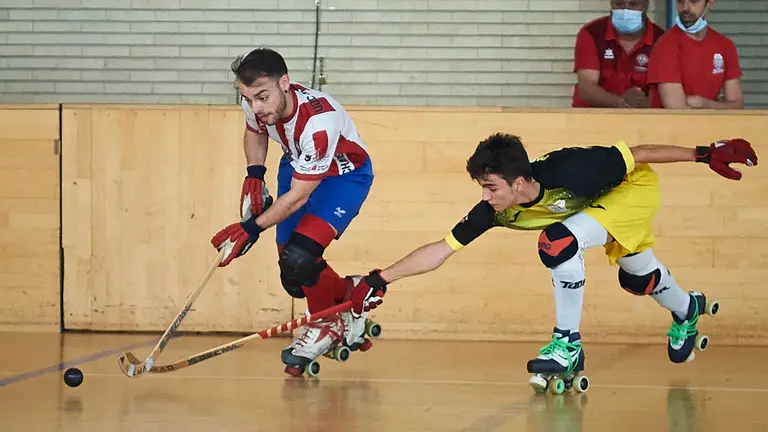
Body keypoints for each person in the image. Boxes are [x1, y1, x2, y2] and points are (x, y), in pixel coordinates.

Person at [345, 134, 757, 391]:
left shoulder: (572, 167)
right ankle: (688, 309)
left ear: (519, 182)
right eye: (482, 188)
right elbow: (441, 249)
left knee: (558, 242)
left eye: (491, 188)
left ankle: (567, 345)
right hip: (596, 215)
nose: (486, 197)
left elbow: (640, 152)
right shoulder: (496, 211)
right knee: (639, 279)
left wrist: (704, 153)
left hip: (632, 192)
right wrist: (381, 277)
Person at [210, 47, 375, 377]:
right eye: (249, 98)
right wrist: (254, 174)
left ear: (284, 82)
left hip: (343, 175)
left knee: (301, 256)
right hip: (298, 163)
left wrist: (251, 228)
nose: (256, 107)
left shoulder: (319, 122)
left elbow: (299, 197)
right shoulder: (254, 103)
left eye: (262, 97)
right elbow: (255, 131)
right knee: (293, 274)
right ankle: (348, 293)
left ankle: (325, 326)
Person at [647, 0, 743, 109]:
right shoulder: (665, 45)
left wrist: (703, 103)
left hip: (713, 125)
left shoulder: (725, 45)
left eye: (694, 1)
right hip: (671, 125)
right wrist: (719, 106)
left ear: (710, 2)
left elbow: (737, 107)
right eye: (680, 2)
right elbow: (677, 111)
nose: (685, 8)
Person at [572, 0, 665, 108]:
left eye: (634, 4)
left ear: (646, 4)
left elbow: (668, 91)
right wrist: (620, 102)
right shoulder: (592, 33)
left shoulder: (661, 40)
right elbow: (587, 88)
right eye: (619, 4)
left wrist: (647, 103)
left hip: (643, 117)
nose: (626, 10)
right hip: (594, 116)